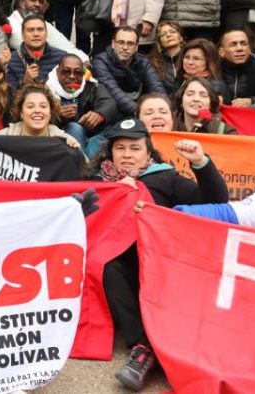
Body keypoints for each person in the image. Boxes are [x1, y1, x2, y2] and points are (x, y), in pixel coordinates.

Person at [93, 119, 227, 390]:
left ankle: (153, 351)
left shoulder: (164, 177)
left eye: (135, 148)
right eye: (120, 148)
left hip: (165, 269)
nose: (127, 154)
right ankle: (144, 347)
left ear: (148, 153)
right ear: (111, 153)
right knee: (107, 265)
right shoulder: (97, 182)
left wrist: (201, 162)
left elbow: (216, 199)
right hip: (125, 272)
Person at [92, 26, 166, 117]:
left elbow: (156, 87)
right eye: (121, 42)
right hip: (110, 111)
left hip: (137, 108)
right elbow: (113, 91)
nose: (125, 47)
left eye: (130, 44)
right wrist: (139, 111)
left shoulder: (143, 61)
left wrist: (165, 109)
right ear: (113, 44)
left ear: (136, 47)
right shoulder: (100, 61)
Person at [47, 54, 116, 150]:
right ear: (58, 72)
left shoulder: (92, 86)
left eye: (78, 73)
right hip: (58, 140)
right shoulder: (45, 90)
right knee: (74, 127)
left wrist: (100, 114)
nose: (72, 76)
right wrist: (57, 116)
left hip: (91, 136)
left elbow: (109, 103)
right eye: (66, 71)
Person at [5, 0, 88, 62]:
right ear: (22, 4)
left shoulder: (45, 24)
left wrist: (84, 60)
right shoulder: (10, 22)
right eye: (33, 0)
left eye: (41, 2)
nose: (37, 4)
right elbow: (32, 48)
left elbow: (66, 46)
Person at [0, 83, 81, 150]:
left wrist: (74, 150)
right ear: (21, 112)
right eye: (30, 106)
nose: (37, 110)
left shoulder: (64, 140)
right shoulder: (1, 138)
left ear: (50, 112)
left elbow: (84, 168)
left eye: (43, 106)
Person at [5, 15, 66, 88]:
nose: (36, 34)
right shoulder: (11, 60)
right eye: (30, 30)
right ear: (22, 35)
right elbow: (8, 96)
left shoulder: (61, 57)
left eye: (40, 29)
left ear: (46, 34)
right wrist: (25, 82)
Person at [145, 20, 185, 96]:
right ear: (160, 42)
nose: (168, 35)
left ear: (181, 37)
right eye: (163, 34)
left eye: (172, 31)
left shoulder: (190, 58)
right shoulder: (152, 62)